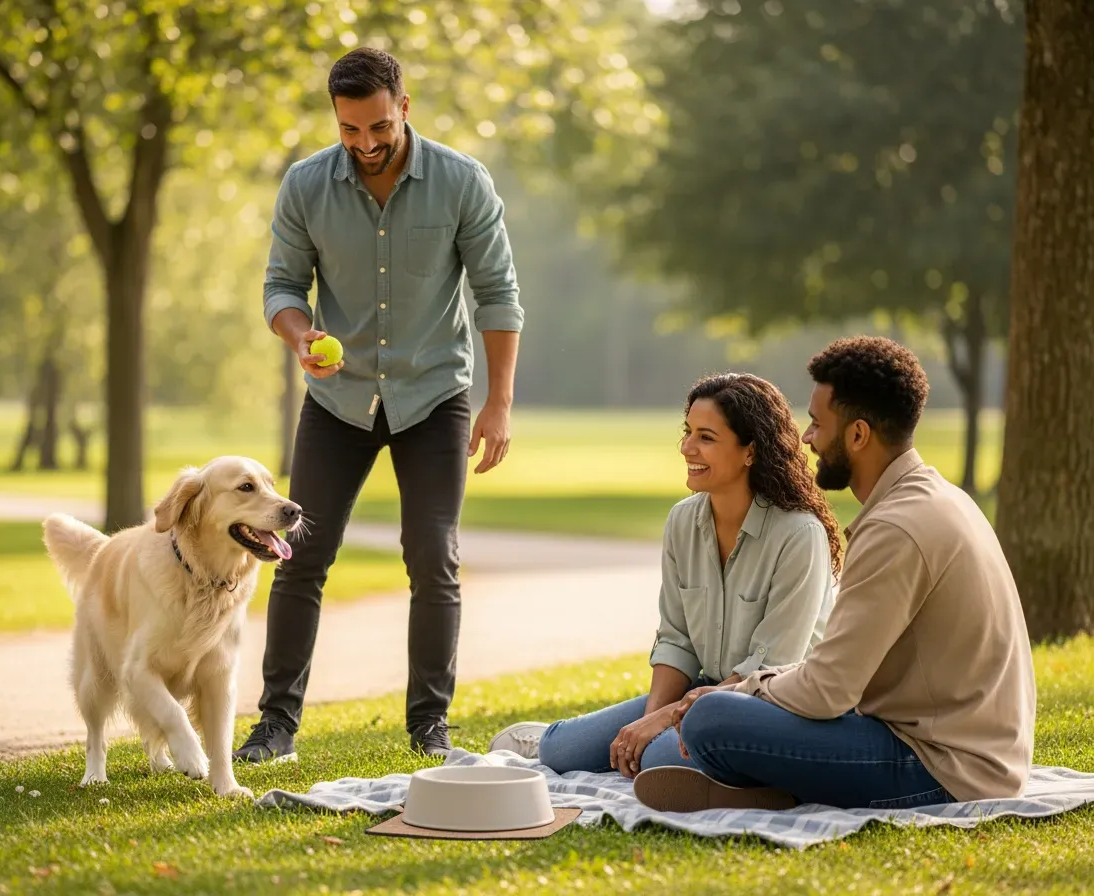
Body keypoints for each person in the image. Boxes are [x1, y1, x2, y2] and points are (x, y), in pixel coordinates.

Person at [233, 48, 523, 764]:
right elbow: (280, 287)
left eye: (379, 127)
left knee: (433, 554)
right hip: (339, 398)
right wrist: (301, 336)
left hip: (434, 394)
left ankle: (430, 725)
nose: (366, 143)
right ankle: (275, 725)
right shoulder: (305, 186)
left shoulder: (461, 182)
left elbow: (498, 294)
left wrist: (499, 403)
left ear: (405, 105)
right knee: (300, 554)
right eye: (350, 130)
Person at [633, 336, 1037, 813]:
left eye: (818, 424)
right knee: (708, 711)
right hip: (960, 751)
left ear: (858, 435)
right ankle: (759, 790)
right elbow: (836, 672)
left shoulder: (896, 528)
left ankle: (757, 785)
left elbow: (827, 692)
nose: (807, 438)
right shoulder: (936, 498)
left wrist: (742, 689)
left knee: (710, 720)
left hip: (942, 768)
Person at [488, 373, 840, 778]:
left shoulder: (798, 534)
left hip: (774, 704)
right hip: (703, 691)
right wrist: (650, 720)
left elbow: (771, 668)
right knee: (562, 752)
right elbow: (677, 640)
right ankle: (551, 737)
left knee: (658, 760)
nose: (687, 447)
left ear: (750, 451)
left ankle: (753, 775)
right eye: (688, 432)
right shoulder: (682, 521)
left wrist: (660, 726)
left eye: (706, 437)